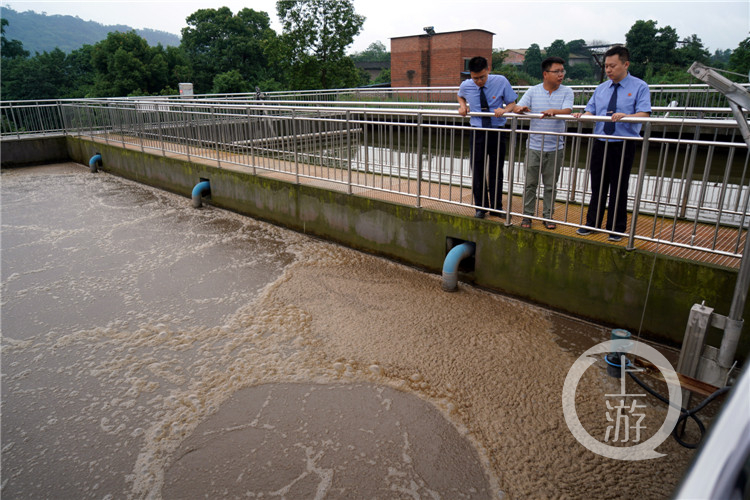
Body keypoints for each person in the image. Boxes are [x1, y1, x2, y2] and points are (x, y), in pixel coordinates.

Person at [573, 46, 651, 241]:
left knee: (619, 186)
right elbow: (591, 110)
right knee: (597, 184)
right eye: (606, 66)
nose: (608, 70)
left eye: (612, 66)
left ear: (625, 64)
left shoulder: (640, 86)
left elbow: (645, 113)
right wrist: (584, 116)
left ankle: (616, 228)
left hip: (623, 143)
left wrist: (627, 116)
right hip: (601, 141)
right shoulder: (601, 88)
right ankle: (592, 223)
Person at [514, 56, 574, 230]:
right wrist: (521, 109)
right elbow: (518, 107)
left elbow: (568, 110)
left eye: (562, 71)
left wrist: (555, 111)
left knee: (550, 185)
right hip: (534, 146)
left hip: (555, 147)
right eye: (557, 71)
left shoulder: (566, 91)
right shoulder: (533, 91)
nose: (561, 74)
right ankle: (527, 216)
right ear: (545, 74)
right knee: (530, 184)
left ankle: (548, 216)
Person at [458, 56, 517, 219]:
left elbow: (512, 102)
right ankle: (480, 207)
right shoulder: (466, 84)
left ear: (488, 70)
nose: (478, 81)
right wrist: (462, 105)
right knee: (477, 169)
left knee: (496, 170)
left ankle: (496, 207)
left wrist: (505, 110)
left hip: (497, 130)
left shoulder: (501, 81)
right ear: (470, 74)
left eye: (482, 77)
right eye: (475, 78)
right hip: (477, 130)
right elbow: (460, 95)